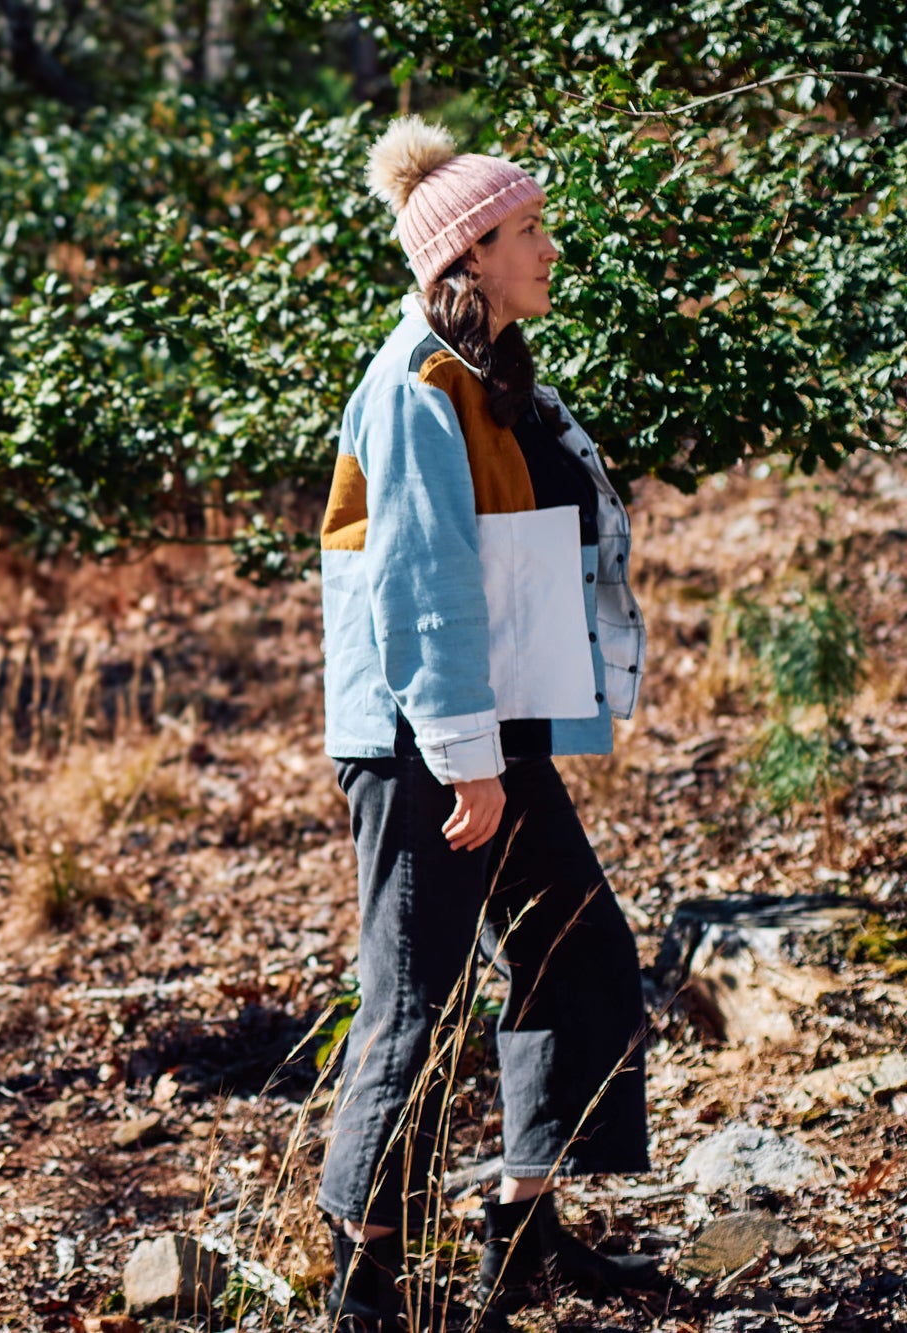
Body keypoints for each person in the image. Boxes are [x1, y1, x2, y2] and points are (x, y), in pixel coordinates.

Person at [314, 118, 663, 1329]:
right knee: (414, 995)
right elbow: (421, 587)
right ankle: (362, 1282)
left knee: (575, 954)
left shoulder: (489, 376)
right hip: (423, 744)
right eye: (527, 232)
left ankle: (519, 1233)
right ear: (465, 254)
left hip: (484, 732)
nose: (548, 247)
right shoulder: (414, 383)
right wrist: (468, 763)